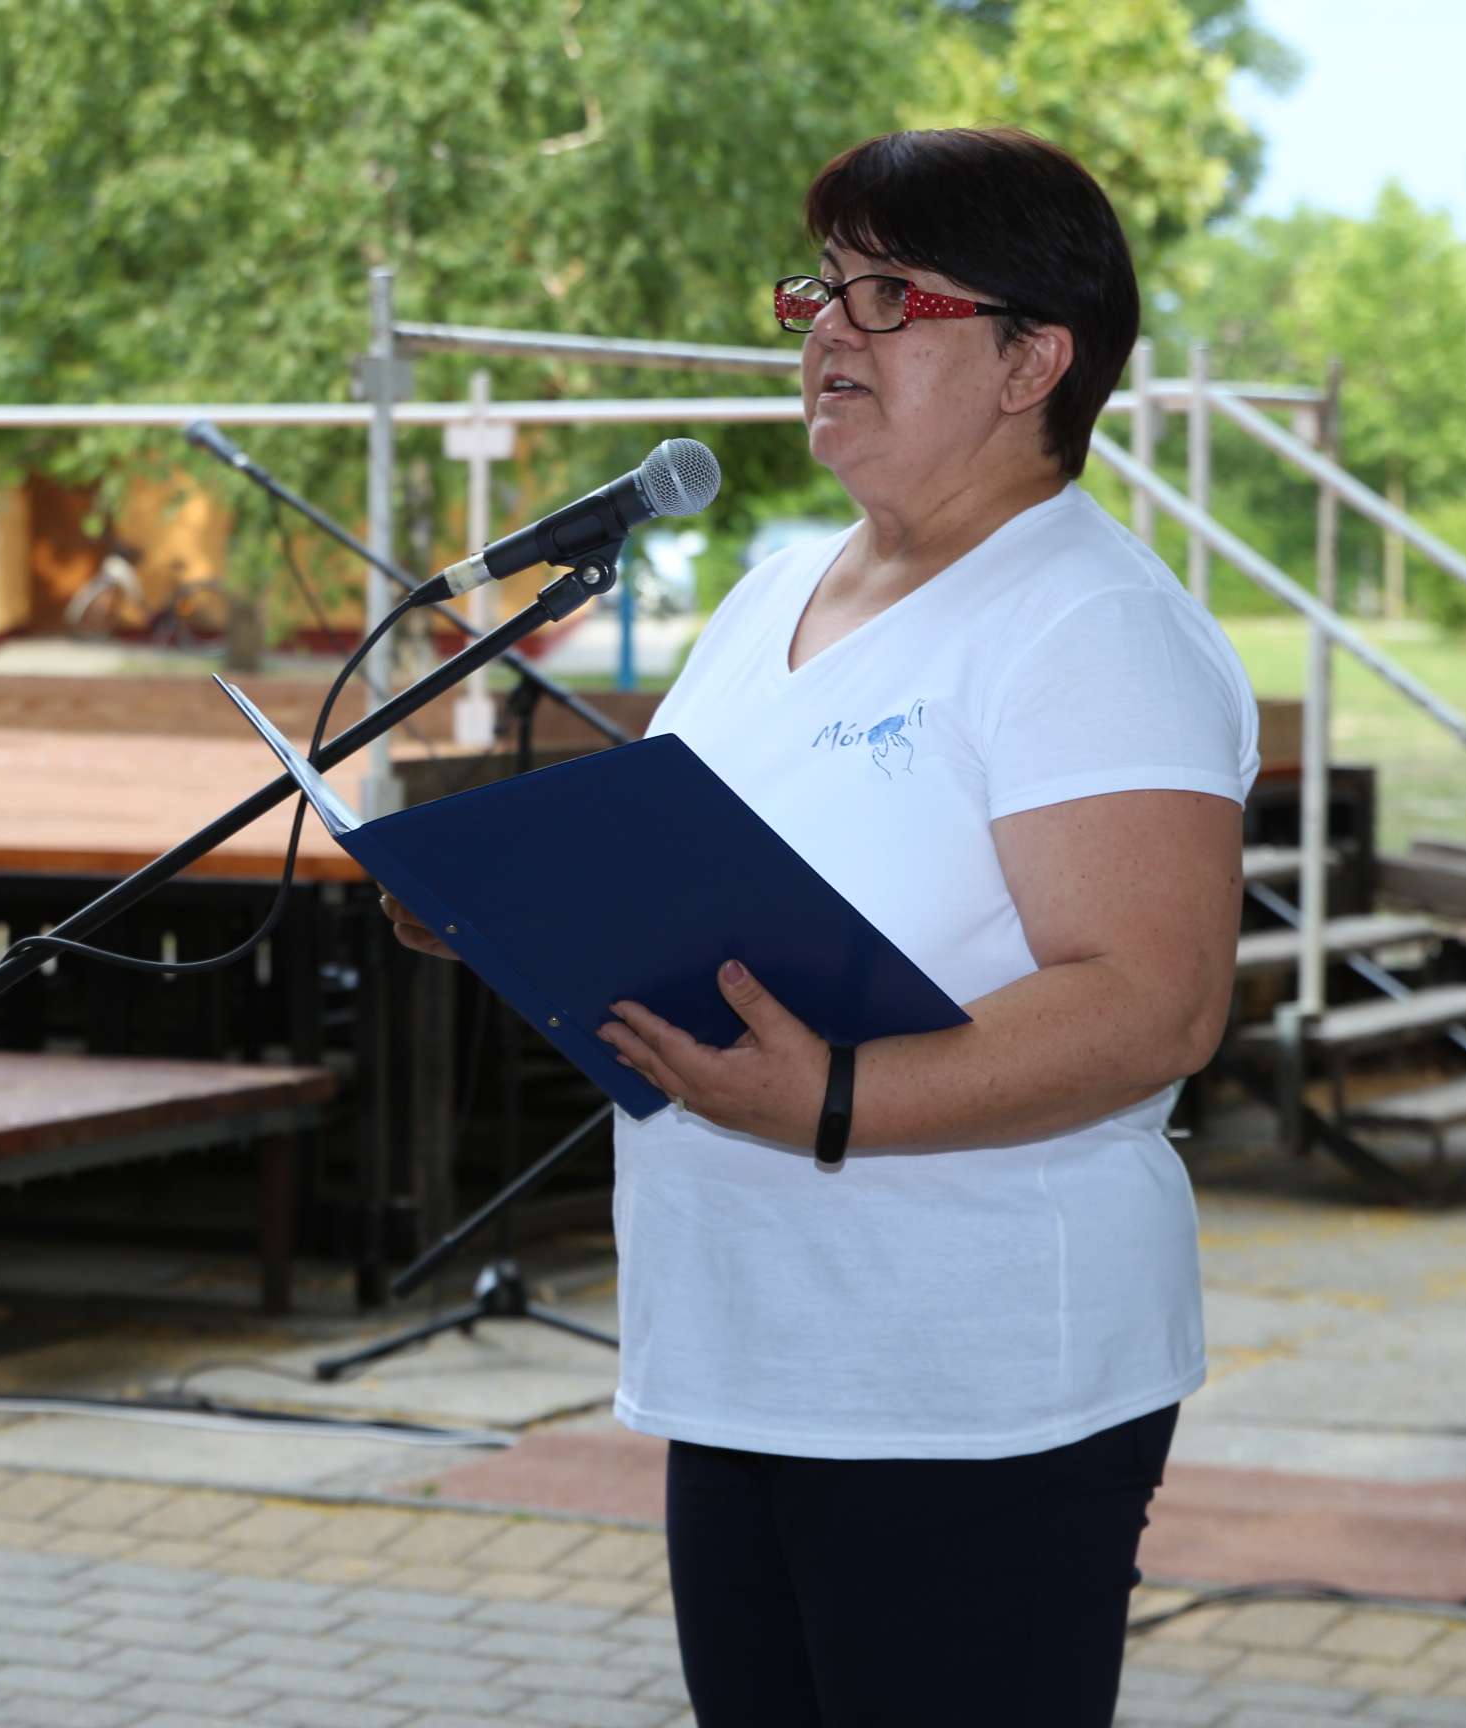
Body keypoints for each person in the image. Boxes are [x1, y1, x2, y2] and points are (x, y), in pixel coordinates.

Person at [383, 128, 1256, 1725]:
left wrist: (838, 1097)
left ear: (1033, 361)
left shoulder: (1093, 623)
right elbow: (698, 887)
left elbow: (1153, 1004)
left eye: (892, 297)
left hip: (975, 1381)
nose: (830, 331)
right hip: (747, 1351)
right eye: (821, 292)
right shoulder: (774, 588)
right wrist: (514, 907)